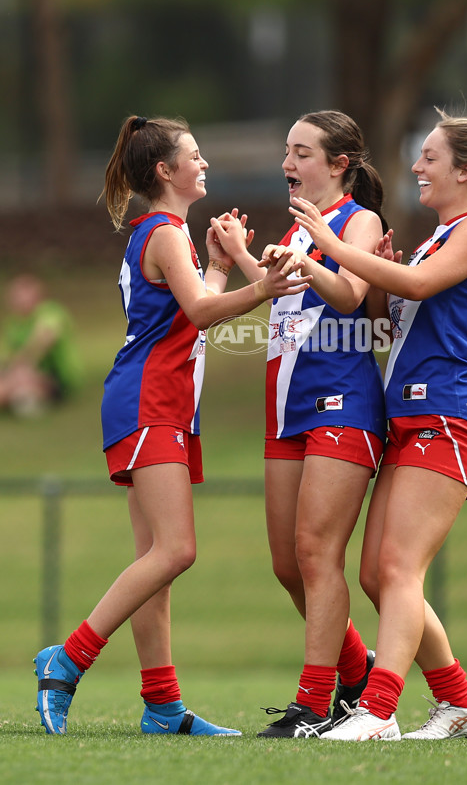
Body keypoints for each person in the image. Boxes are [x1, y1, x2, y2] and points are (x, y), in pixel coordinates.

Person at [286, 107, 467, 741]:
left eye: (428, 157)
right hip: (410, 418)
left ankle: (377, 710)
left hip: (450, 417)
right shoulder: (437, 236)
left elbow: (418, 288)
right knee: (376, 575)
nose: (417, 167)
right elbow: (386, 319)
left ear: (464, 170)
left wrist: (336, 247)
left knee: (396, 568)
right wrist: (366, 277)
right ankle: (460, 706)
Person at [33, 114, 311, 737]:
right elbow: (205, 312)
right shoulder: (161, 230)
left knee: (153, 563)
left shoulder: (170, 234)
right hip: (148, 401)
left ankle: (162, 707)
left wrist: (216, 263)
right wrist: (264, 285)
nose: (205, 161)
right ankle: (68, 658)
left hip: (163, 403)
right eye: (195, 154)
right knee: (177, 551)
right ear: (165, 171)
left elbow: (190, 311)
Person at [210, 110, 387, 738]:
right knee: (289, 564)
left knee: (317, 553)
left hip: (342, 404)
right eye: (287, 150)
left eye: (303, 151)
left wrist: (308, 252)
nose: (289, 161)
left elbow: (347, 297)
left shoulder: (356, 221)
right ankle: (357, 671)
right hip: (285, 410)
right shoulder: (299, 227)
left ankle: (314, 704)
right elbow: (286, 298)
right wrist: (240, 256)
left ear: (338, 164)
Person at [0, 273, 81, 416]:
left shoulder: (50, 312)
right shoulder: (14, 324)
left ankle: (25, 397)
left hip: (57, 377)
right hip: (26, 373)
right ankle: (21, 397)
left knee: (18, 382)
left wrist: (20, 367)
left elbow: (44, 339)